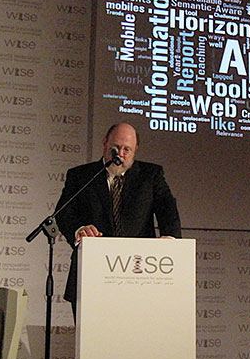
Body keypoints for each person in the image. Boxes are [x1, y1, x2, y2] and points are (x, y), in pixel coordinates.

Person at [55, 122, 182, 319]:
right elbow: (64, 213)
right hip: (91, 275)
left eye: (126, 150)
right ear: (105, 143)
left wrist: (170, 241)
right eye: (116, 148)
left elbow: (167, 209)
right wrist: (79, 229)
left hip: (140, 275)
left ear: (135, 150)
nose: (120, 154)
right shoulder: (81, 176)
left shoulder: (150, 175)